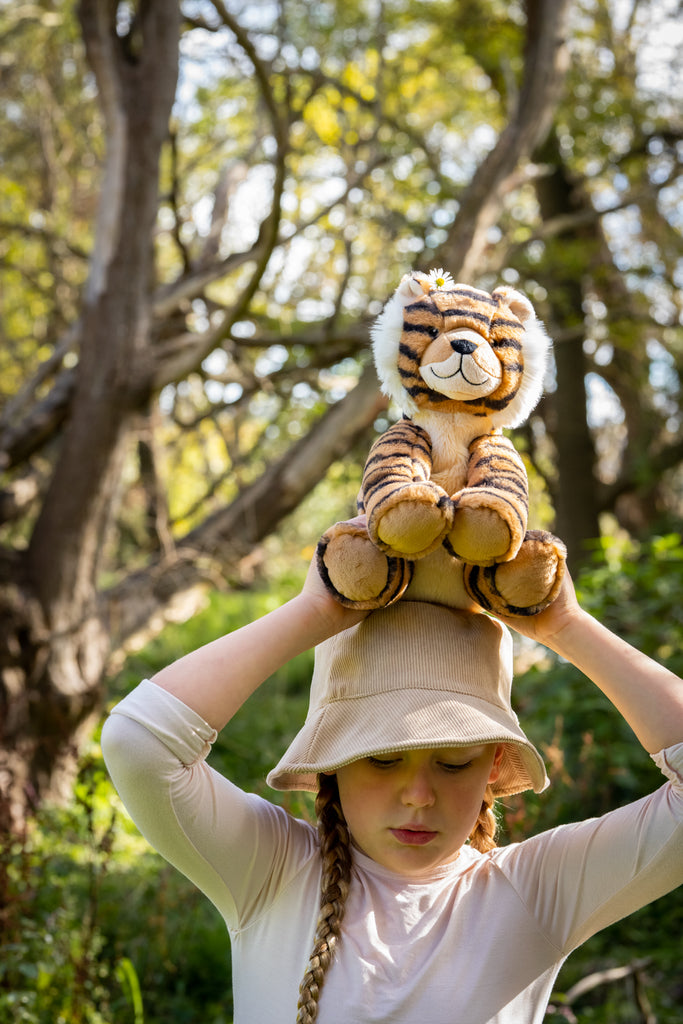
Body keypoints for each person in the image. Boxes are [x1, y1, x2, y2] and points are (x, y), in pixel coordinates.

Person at [101, 538, 683, 1024]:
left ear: (493, 764)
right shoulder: (272, 871)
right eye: (381, 760)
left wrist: (565, 626)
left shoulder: (536, 891)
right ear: (332, 764)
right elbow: (138, 745)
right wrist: (317, 613)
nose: (419, 797)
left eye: (454, 763)